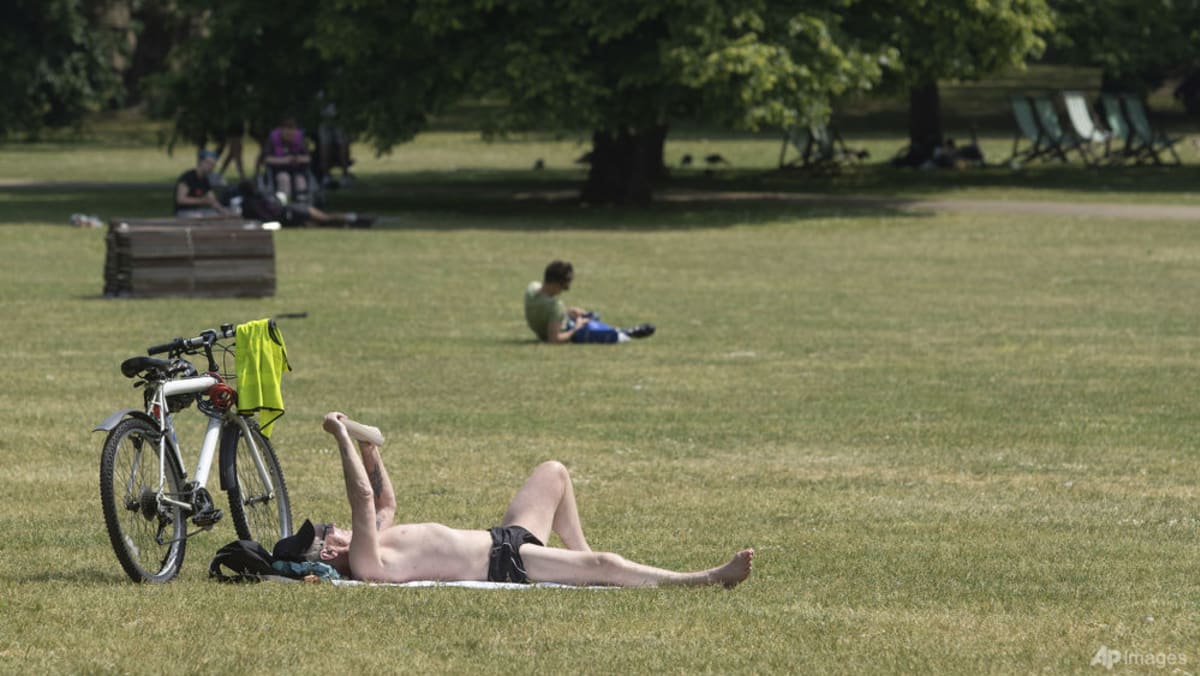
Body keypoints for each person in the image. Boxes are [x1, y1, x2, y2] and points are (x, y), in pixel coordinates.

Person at [273, 412, 754, 588]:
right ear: (328, 552)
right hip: (508, 564)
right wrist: (338, 436)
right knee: (607, 564)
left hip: (505, 538)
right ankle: (705, 579)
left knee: (554, 473)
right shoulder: (366, 559)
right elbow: (360, 499)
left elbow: (383, 500)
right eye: (325, 533)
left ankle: (577, 555)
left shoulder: (372, 540)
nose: (334, 526)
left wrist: (368, 449)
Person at [524, 260, 655, 344]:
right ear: (554, 283)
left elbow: (543, 311)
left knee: (592, 316)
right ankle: (626, 333)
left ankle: (624, 331)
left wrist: (567, 312)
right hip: (564, 330)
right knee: (603, 333)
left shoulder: (532, 288)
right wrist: (577, 327)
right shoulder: (554, 307)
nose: (565, 290)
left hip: (550, 326)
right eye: (565, 286)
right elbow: (554, 339)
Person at [236, 181, 374, 228]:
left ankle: (357, 218)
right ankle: (356, 221)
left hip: (292, 213)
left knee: (325, 219)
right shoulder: (260, 197)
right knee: (323, 222)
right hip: (292, 211)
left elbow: (267, 216)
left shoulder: (252, 203)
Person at [263, 117, 312, 201]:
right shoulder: (273, 139)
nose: (290, 136)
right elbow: (267, 159)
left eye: (292, 133)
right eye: (287, 133)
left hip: (297, 170)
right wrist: (284, 160)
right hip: (278, 171)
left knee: (300, 181)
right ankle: (284, 205)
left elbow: (308, 158)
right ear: (281, 131)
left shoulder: (299, 139)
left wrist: (298, 159)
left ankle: (302, 204)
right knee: (284, 178)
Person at [174, 149, 233, 217]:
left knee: (216, 215)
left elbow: (212, 200)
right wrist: (201, 201)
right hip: (183, 212)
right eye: (209, 163)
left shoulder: (205, 180)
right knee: (201, 216)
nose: (211, 167)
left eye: (213, 164)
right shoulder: (188, 177)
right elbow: (181, 199)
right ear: (201, 162)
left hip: (197, 211)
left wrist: (223, 210)